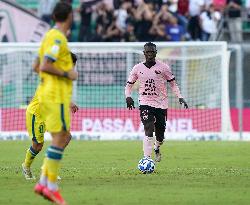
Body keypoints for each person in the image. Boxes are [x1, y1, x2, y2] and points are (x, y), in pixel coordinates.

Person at [33, 2, 78, 205]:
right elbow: (44, 65)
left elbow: (36, 65)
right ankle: (51, 187)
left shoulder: (48, 36)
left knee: (59, 137)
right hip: (55, 96)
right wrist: (67, 74)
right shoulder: (58, 38)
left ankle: (43, 183)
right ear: (69, 16)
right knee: (62, 137)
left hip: (47, 94)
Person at [125, 42, 188, 162]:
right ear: (144, 53)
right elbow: (128, 86)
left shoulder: (164, 67)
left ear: (156, 53)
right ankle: (147, 158)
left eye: (152, 51)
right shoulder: (137, 68)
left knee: (160, 135)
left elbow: (173, 84)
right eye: (147, 52)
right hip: (145, 102)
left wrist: (180, 97)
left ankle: (157, 147)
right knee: (148, 128)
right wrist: (128, 97)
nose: (150, 54)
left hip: (161, 103)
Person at [21, 52, 78, 180]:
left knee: (66, 137)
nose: (73, 68)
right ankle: (26, 166)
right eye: (72, 65)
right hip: (37, 113)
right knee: (37, 146)